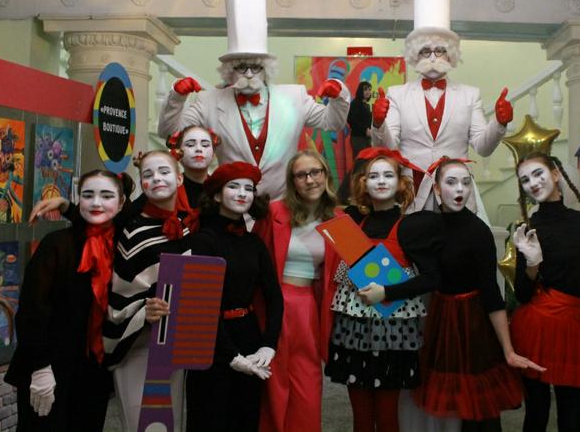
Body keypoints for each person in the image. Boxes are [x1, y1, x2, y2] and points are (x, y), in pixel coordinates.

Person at [158, 0, 350, 200]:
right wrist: (176, 97)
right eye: (241, 67)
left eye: (256, 67)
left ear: (266, 70)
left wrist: (339, 95)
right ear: (229, 71)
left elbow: (332, 122)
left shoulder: (294, 97)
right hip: (231, 204)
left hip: (282, 205)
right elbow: (169, 132)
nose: (249, 74)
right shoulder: (209, 101)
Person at [408, 158, 544, 432]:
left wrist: (508, 350)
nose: (460, 189)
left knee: (480, 411)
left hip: (473, 323)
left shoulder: (478, 232)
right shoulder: (426, 227)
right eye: (451, 182)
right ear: (437, 190)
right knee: (453, 406)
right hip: (442, 320)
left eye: (465, 182)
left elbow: (492, 293)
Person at [371, 0, 513, 222]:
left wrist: (499, 124)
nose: (433, 57)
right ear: (415, 55)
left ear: (451, 54)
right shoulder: (397, 94)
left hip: (456, 194)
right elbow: (388, 148)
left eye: (440, 51)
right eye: (426, 51)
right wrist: (379, 123)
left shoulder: (469, 95)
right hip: (412, 195)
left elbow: (483, 147)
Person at [5, 170, 132, 431]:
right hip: (49, 365)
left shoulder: (122, 245)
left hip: (93, 369)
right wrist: (40, 368)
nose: (96, 203)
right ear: (79, 199)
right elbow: (32, 311)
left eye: (106, 196)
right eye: (88, 195)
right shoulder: (56, 244)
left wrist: (66, 206)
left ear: (121, 204)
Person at [326, 147, 443, 432]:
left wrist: (387, 294)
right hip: (353, 330)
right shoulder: (353, 220)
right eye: (374, 176)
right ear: (363, 182)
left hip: (393, 333)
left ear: (400, 183)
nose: (381, 181)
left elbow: (431, 278)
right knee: (360, 414)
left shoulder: (410, 227)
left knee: (388, 414)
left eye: (388, 175)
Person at [510, 152, 580, 432]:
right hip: (540, 327)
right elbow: (522, 294)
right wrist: (532, 265)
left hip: (577, 327)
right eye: (525, 180)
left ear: (556, 174)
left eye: (538, 174)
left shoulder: (579, 220)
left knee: (573, 420)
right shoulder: (528, 229)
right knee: (537, 416)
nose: (533, 183)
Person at [102, 150, 199, 432]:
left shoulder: (187, 227)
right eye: (148, 174)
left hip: (175, 343)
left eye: (164, 172)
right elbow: (119, 294)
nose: (156, 178)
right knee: (141, 423)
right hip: (138, 344)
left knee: (170, 421)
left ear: (179, 178)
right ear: (142, 184)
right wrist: (144, 310)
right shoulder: (133, 231)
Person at [185, 161, 284, 431]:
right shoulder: (203, 240)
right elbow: (200, 306)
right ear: (217, 195)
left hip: (249, 337)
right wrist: (231, 356)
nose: (242, 193)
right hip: (210, 343)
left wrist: (268, 345)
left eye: (248, 189)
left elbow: (274, 296)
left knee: (245, 417)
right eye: (233, 187)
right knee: (210, 417)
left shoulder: (254, 242)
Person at [252, 150, 342, 432]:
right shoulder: (275, 212)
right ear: (292, 182)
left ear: (326, 175)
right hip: (274, 304)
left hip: (309, 307)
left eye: (315, 172)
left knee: (308, 382)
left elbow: (360, 267)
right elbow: (252, 257)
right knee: (273, 379)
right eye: (301, 175)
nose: (310, 180)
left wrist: (395, 287)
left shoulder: (339, 219)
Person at [348, 81, 373, 159]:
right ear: (360, 91)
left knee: (367, 161)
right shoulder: (355, 103)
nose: (368, 92)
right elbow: (351, 120)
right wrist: (365, 129)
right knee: (360, 161)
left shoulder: (367, 105)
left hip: (367, 138)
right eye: (365, 89)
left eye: (369, 89)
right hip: (358, 138)